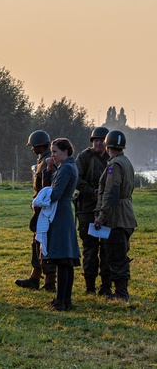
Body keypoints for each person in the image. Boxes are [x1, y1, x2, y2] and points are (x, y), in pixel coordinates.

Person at [35, 138, 80, 311]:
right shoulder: (64, 167)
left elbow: (54, 194)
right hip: (63, 213)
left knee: (63, 260)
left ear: (65, 151)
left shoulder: (67, 168)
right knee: (66, 260)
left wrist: (42, 199)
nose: (52, 154)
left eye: (55, 151)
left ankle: (61, 300)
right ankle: (65, 299)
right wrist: (49, 170)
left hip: (60, 215)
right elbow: (50, 186)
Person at [94, 130, 136, 301]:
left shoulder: (114, 165)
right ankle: (120, 291)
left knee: (117, 255)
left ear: (107, 145)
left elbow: (111, 193)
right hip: (126, 214)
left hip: (116, 218)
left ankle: (120, 293)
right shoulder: (126, 162)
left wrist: (102, 217)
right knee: (120, 253)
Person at [15, 130, 57, 291]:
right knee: (36, 243)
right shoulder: (42, 161)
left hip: (45, 209)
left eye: (33, 145)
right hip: (39, 208)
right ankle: (35, 277)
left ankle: (49, 282)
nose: (31, 148)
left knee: (44, 243)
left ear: (40, 145)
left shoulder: (48, 161)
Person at [74, 126, 109, 294]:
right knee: (90, 247)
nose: (98, 143)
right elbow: (76, 178)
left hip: (106, 208)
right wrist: (91, 192)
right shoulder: (84, 157)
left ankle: (106, 285)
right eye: (96, 140)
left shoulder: (112, 158)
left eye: (102, 141)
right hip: (87, 207)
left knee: (108, 248)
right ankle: (90, 286)